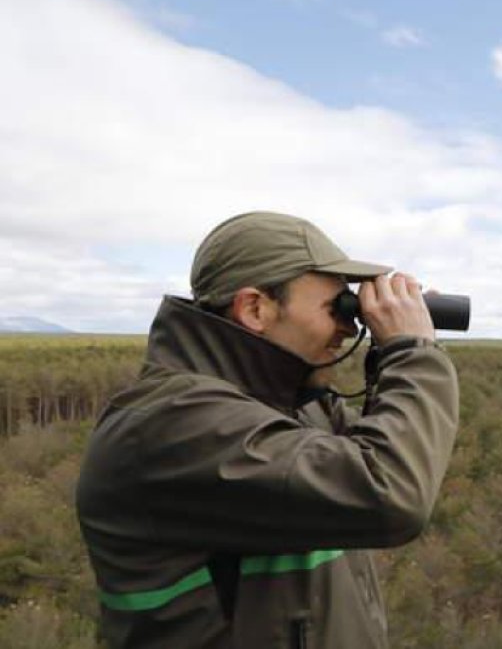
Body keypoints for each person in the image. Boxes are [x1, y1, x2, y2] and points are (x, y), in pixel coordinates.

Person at [75, 211, 460, 648]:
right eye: (336, 307)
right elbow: (391, 493)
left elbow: (389, 449)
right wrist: (412, 351)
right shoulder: (169, 426)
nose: (350, 326)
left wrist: (390, 355)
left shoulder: (292, 406)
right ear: (255, 308)